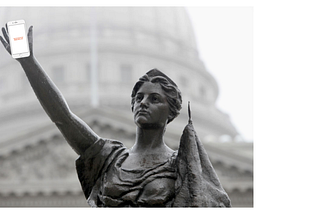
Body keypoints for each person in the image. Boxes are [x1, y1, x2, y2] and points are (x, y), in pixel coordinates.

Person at [1, 25, 231, 207]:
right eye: (139, 98)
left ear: (171, 111)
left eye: (154, 99)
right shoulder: (110, 160)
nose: (143, 103)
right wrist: (28, 62)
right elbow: (64, 118)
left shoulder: (185, 167)